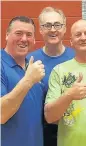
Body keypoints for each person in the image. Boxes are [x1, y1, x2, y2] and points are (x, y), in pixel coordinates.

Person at [27, 7, 75, 146]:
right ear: (40, 30)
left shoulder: (77, 57)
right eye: (47, 25)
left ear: (65, 28)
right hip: (41, 133)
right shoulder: (30, 61)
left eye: (57, 25)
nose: (53, 29)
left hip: (72, 130)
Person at [1, 16, 45, 146]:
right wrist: (28, 80)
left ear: (34, 40)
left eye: (29, 35)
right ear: (7, 35)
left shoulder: (34, 69)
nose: (24, 39)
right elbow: (1, 114)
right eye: (18, 33)